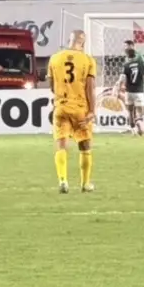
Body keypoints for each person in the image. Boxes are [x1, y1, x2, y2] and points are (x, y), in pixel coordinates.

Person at [47, 30, 97, 194]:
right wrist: (92, 111)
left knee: (61, 144)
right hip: (80, 107)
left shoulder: (54, 58)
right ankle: (85, 184)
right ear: (83, 42)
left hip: (61, 106)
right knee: (85, 145)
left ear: (69, 40)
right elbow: (90, 88)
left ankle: (63, 180)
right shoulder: (88, 60)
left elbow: (52, 86)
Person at [119, 43, 144, 135]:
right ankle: (138, 122)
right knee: (140, 111)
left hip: (129, 91)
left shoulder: (126, 64)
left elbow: (122, 78)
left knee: (130, 111)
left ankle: (133, 129)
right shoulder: (140, 63)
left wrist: (120, 86)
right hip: (139, 91)